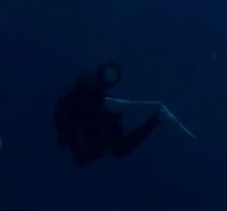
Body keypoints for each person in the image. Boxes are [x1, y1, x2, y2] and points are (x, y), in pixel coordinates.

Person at [51, 62, 193, 166]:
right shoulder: (79, 133)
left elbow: (117, 147)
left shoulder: (87, 120)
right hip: (87, 120)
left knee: (118, 149)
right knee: (118, 149)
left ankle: (157, 117)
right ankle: (157, 117)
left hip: (89, 118)